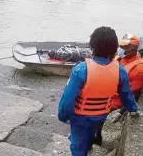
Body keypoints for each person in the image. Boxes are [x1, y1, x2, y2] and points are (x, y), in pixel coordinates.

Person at [58, 26, 140, 156]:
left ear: (92, 47)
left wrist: (63, 115)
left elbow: (68, 99)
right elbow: (127, 95)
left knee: (78, 146)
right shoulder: (120, 70)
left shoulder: (81, 69)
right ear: (114, 49)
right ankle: (90, 143)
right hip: (102, 114)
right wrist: (134, 109)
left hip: (81, 118)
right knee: (91, 132)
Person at [93, 34, 143, 144]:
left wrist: (121, 112)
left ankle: (97, 139)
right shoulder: (120, 58)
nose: (120, 49)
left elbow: (134, 94)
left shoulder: (139, 68)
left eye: (124, 47)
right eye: (120, 46)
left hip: (115, 101)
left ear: (133, 49)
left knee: (97, 120)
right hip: (105, 93)